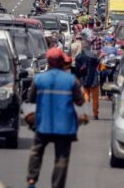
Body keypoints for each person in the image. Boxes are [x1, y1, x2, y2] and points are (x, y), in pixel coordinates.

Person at [26, 48, 85, 188]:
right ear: (61, 62)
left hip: (43, 124)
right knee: (61, 159)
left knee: (36, 152)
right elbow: (80, 101)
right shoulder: (71, 80)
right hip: (64, 127)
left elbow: (30, 99)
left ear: (48, 62)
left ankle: (31, 180)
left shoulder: (39, 79)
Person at [75, 34, 100, 120]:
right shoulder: (93, 55)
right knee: (95, 98)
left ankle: (85, 113)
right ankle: (95, 114)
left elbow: (77, 68)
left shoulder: (79, 57)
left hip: (84, 78)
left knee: (86, 96)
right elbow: (97, 63)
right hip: (94, 79)